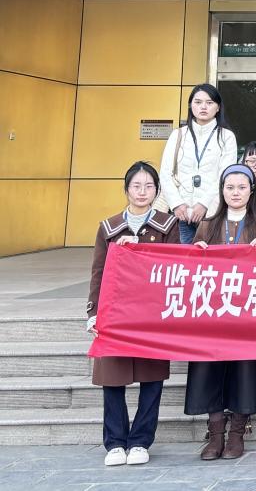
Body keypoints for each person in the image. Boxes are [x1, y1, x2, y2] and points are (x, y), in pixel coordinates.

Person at [88, 162, 180, 466]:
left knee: (151, 379)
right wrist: (93, 313)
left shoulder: (167, 225)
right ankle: (115, 442)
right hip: (115, 314)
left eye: (149, 186)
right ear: (126, 189)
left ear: (157, 190)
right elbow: (98, 273)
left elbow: (174, 265)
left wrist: (139, 247)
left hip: (151, 315)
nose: (142, 192)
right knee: (112, 377)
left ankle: (140, 440)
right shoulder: (109, 227)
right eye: (136, 186)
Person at [184, 164, 256, 460]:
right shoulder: (208, 225)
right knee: (207, 368)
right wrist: (196, 253)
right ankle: (215, 434)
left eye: (242, 187)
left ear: (252, 191)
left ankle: (237, 433)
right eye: (230, 187)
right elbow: (190, 272)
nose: (235, 193)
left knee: (246, 369)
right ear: (222, 191)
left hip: (250, 312)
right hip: (212, 312)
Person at [158, 83, 237, 244]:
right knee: (183, 257)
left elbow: (225, 176)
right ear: (190, 105)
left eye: (209, 103)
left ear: (218, 107)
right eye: (198, 102)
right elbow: (165, 174)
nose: (203, 107)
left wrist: (204, 204)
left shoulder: (226, 137)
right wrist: (177, 204)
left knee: (212, 257)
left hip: (213, 214)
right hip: (181, 214)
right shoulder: (178, 135)